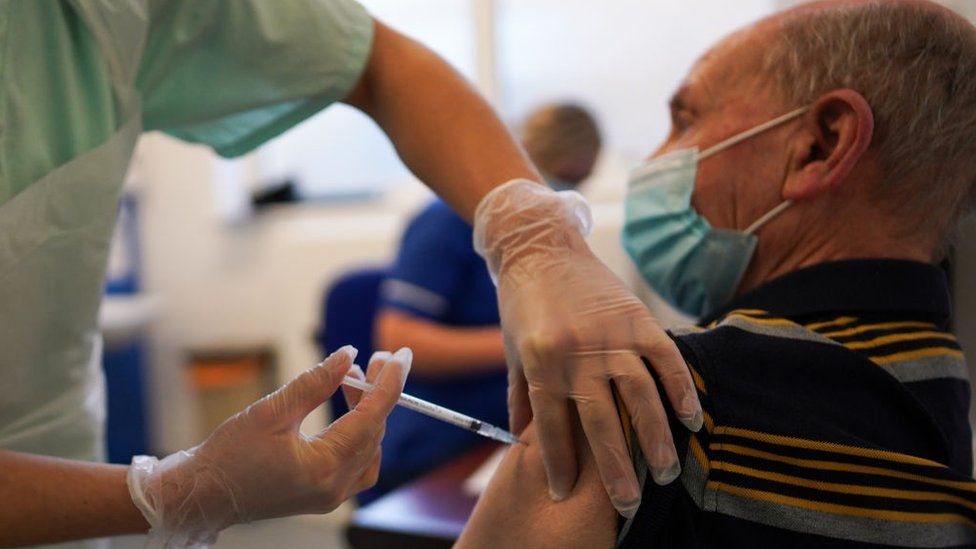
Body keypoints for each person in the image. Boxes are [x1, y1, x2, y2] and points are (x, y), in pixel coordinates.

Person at [0, 2, 699, 546]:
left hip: (60, 437)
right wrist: (171, 493)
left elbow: (376, 63)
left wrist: (533, 233)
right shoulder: (436, 226)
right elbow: (399, 330)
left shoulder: (108, 15)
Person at [456, 1, 976, 547]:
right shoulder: (940, 385)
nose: (653, 160)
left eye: (686, 119)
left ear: (820, 146)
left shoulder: (658, 401)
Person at [368, 103, 602, 500]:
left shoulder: (543, 233)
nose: (559, 190)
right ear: (522, 154)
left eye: (577, 180)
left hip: (505, 430)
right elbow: (397, 339)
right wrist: (524, 342)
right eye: (559, 175)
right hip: (441, 440)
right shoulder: (447, 222)